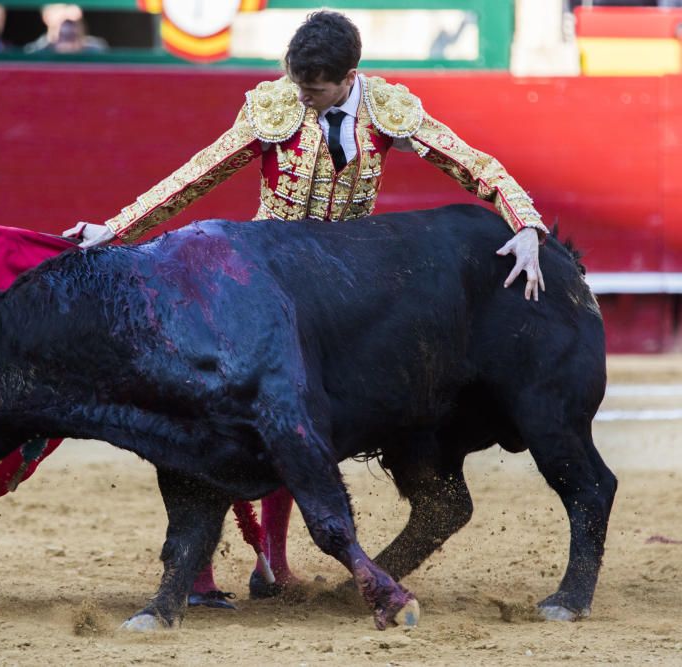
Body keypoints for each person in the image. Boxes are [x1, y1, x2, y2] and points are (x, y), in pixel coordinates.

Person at [64, 10, 550, 603]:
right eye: (300, 85)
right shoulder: (275, 106)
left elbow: (474, 164)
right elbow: (194, 176)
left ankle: (270, 558)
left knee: (301, 420)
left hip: (344, 292)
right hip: (262, 281)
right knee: (222, 411)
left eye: (316, 89)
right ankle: (212, 566)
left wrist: (525, 223)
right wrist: (115, 230)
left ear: (351, 76)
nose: (306, 99)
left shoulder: (389, 109)